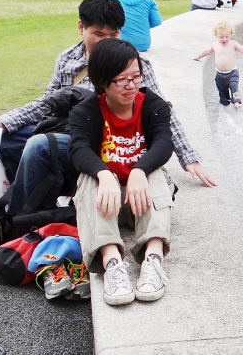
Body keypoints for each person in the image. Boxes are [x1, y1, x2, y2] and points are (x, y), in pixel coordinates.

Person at [0, 0, 216, 215]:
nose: (107, 41)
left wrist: (188, 156)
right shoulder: (67, 59)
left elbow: (162, 110)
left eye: (114, 35)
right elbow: (47, 104)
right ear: (81, 27)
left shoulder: (133, 65)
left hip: (101, 141)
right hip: (67, 130)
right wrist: (4, 122)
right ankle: (41, 201)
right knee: (4, 139)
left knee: (39, 145)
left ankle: (18, 219)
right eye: (99, 34)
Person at [69, 38, 173, 305]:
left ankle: (152, 258)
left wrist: (140, 169)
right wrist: (104, 174)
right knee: (89, 179)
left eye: (136, 77)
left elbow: (164, 143)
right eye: (121, 79)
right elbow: (78, 150)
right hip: (108, 199)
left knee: (157, 175)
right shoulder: (86, 112)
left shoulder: (153, 106)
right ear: (103, 81)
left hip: (141, 197)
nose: (131, 85)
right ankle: (112, 261)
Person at [193, 21, 243, 110]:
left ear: (231, 34)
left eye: (227, 36)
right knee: (222, 92)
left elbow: (242, 48)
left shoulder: (233, 44)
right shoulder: (215, 45)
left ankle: (236, 102)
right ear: (216, 35)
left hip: (232, 73)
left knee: (234, 87)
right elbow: (206, 51)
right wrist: (198, 56)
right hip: (220, 74)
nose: (224, 39)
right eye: (221, 37)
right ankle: (225, 104)